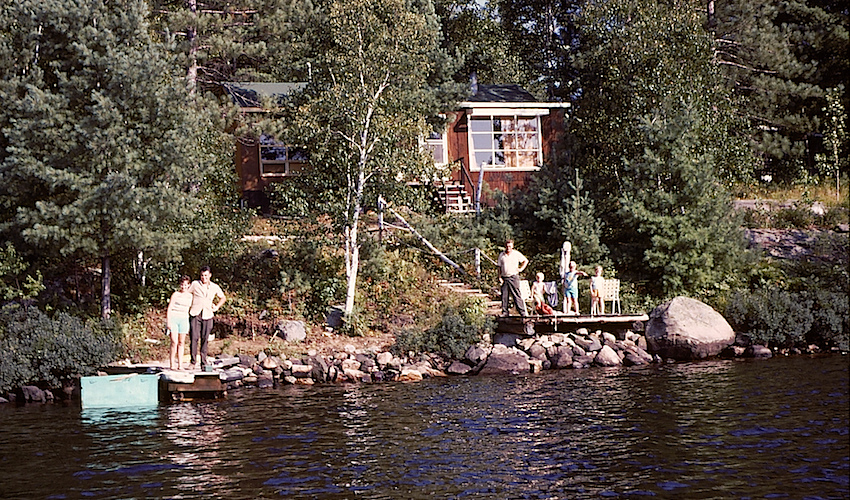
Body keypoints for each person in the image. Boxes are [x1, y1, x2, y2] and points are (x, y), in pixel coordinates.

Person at [188, 266, 226, 370]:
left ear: (210, 275)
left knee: (205, 339)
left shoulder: (214, 286)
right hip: (195, 313)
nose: (204, 277)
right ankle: (193, 361)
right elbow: (186, 294)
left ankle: (203, 361)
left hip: (208, 314)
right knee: (194, 338)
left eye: (206, 275)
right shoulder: (195, 284)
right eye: (202, 275)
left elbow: (223, 297)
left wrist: (217, 306)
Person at [166, 275, 193, 370]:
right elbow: (169, 308)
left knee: (181, 342)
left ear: (189, 285)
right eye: (182, 285)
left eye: (186, 285)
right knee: (174, 341)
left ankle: (180, 365)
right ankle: (172, 363)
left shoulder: (190, 296)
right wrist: (168, 322)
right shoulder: (175, 294)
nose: (184, 287)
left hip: (184, 319)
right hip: (174, 318)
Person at [497, 239, 528, 317]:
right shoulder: (502, 255)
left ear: (512, 246)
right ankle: (505, 312)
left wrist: (520, 269)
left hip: (513, 277)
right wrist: (499, 277)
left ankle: (522, 312)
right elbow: (499, 267)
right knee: (504, 295)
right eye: (507, 246)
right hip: (504, 278)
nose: (508, 248)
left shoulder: (516, 254)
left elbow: (525, 261)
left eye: (510, 246)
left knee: (516, 295)